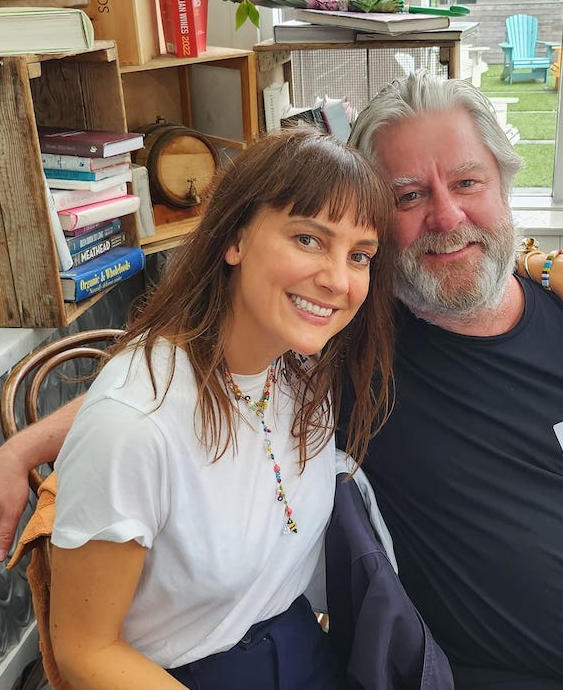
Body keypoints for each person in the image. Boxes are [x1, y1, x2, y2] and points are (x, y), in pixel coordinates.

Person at [0, 73, 563, 689]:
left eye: (467, 183)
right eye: (409, 197)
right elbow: (189, 385)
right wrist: (24, 448)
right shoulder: (353, 341)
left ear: (504, 184)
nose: (447, 217)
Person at [35, 127, 397, 688]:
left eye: (360, 255)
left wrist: (547, 267)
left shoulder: (299, 368)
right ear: (234, 239)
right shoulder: (133, 423)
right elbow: (86, 651)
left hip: (306, 649)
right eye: (308, 239)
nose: (337, 280)